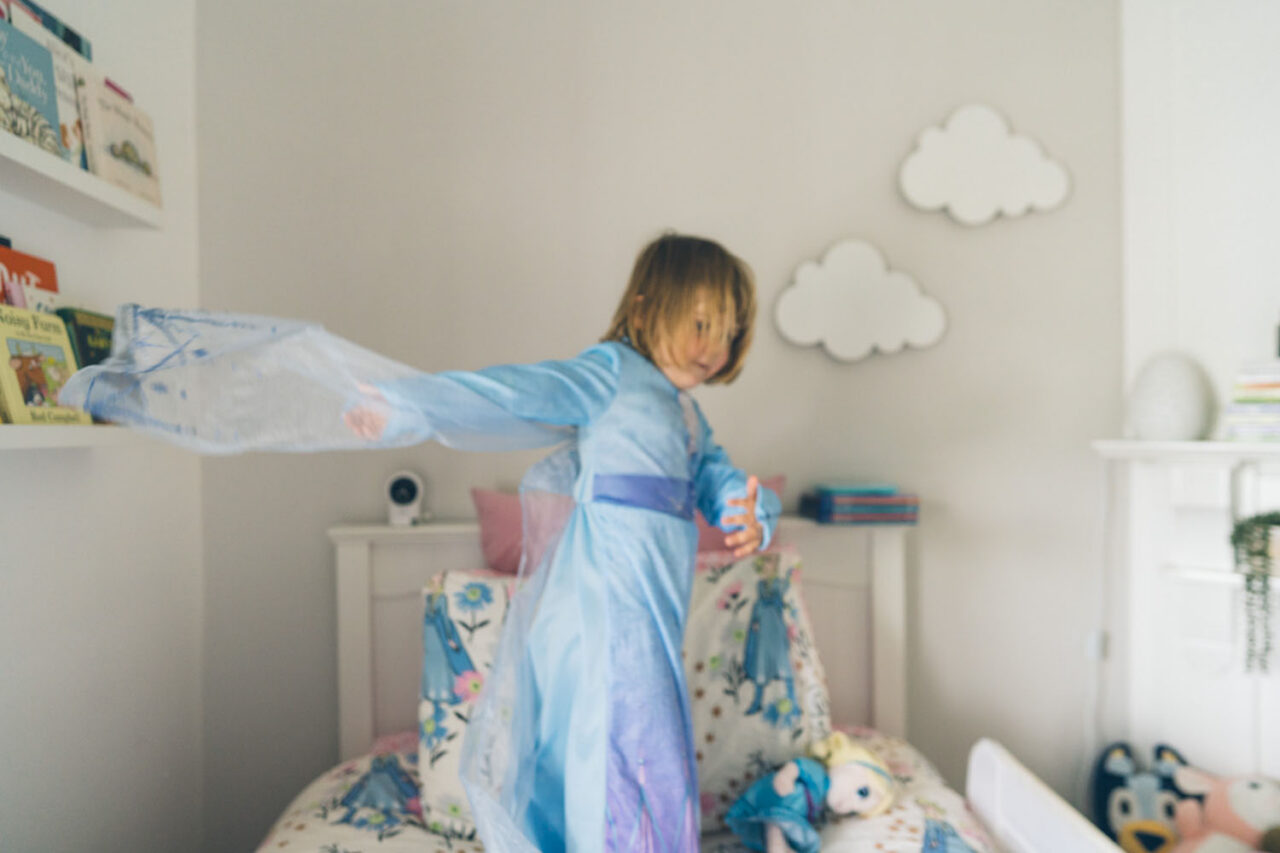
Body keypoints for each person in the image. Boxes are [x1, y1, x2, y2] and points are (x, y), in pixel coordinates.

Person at [59, 232, 781, 852]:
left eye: (729, 330)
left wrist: (756, 507)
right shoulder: (611, 374)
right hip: (603, 612)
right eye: (701, 324)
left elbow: (720, 478)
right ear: (649, 307)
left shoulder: (687, 416)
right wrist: (407, 406)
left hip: (647, 618)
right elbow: (510, 392)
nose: (715, 348)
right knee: (624, 748)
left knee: (631, 747)